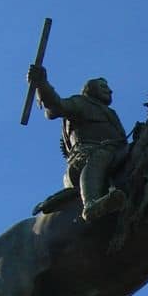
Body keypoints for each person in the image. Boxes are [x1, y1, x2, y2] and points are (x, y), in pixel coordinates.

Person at [27, 64, 128, 221]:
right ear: (90, 90)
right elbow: (56, 106)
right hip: (85, 157)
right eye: (103, 87)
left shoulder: (110, 113)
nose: (110, 90)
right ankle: (90, 205)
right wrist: (42, 84)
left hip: (114, 153)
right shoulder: (81, 103)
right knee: (101, 155)